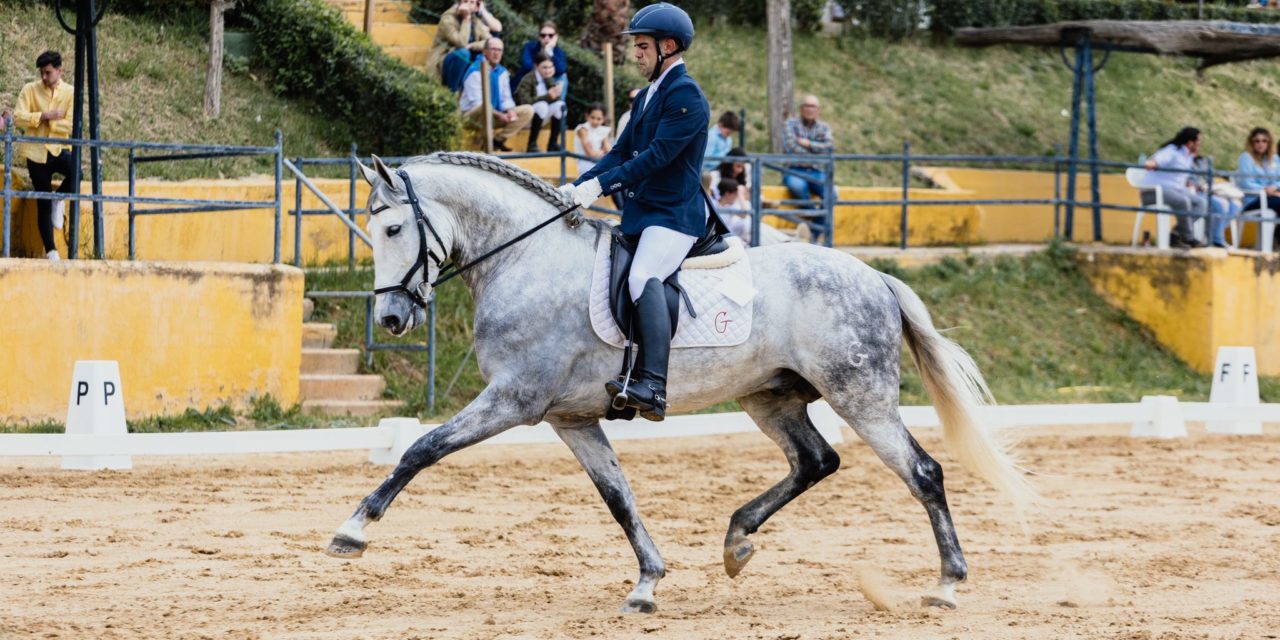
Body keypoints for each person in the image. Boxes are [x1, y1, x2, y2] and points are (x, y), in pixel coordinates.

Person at [558, 3, 708, 421]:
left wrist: (600, 186)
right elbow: (621, 152)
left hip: (674, 215)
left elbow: (658, 156)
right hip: (644, 213)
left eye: (643, 46)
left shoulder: (686, 94)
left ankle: (654, 386)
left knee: (644, 276)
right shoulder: (646, 96)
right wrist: (580, 185)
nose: (636, 54)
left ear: (668, 46)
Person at [13, 50, 74, 261]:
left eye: (48, 73)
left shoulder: (70, 93)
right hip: (36, 152)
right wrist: (44, 116)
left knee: (78, 174)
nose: (44, 77)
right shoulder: (30, 90)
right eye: (42, 73)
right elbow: (18, 118)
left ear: (59, 70)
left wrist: (53, 123)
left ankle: (60, 199)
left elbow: (72, 123)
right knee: (43, 200)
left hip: (59, 149)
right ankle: (51, 252)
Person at [459, 38, 533, 153]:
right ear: (484, 51)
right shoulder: (475, 71)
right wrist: (499, 115)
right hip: (473, 117)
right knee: (486, 106)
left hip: (493, 115)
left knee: (528, 110)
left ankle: (497, 141)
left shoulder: (502, 72)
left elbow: (506, 98)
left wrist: (510, 110)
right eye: (493, 49)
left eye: (500, 50)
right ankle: (487, 143)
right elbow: (478, 104)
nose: (496, 53)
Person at [781, 94, 835, 243]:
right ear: (801, 108)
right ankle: (812, 212)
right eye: (807, 106)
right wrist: (816, 151)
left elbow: (829, 147)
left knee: (832, 194)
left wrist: (807, 144)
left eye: (813, 106)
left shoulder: (824, 127)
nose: (810, 109)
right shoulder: (790, 124)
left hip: (817, 172)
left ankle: (813, 236)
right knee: (796, 186)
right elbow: (791, 147)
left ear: (818, 110)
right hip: (795, 170)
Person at [1144, 127, 1208, 249]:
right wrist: (1151, 164)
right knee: (1183, 201)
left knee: (1201, 203)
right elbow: (1155, 161)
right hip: (1153, 191)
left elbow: (1177, 177)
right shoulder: (1172, 151)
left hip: (1173, 191)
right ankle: (1188, 237)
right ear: (1190, 142)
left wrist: (1189, 184)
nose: (1200, 144)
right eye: (1198, 141)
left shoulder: (1187, 156)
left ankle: (1176, 234)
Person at [428, 0, 494, 92]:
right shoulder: (448, 18)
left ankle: (480, 96)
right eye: (465, 1)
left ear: (476, 7)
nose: (468, 5)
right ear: (459, 3)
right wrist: (466, 18)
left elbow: (491, 41)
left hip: (466, 61)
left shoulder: (475, 20)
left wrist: (472, 45)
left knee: (486, 56)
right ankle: (452, 92)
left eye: (472, 2)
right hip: (444, 61)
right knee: (463, 53)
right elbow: (461, 43)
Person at [1236, 127, 1280, 247]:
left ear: (1269, 143)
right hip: (1253, 199)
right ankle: (1276, 239)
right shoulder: (1246, 158)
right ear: (1252, 143)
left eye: (1264, 141)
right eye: (1257, 141)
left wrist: (1275, 188)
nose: (1261, 144)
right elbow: (1245, 182)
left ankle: (1275, 238)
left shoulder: (1274, 159)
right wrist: (1265, 190)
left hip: (1272, 197)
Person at [515, 52, 565, 153]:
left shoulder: (549, 79)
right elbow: (525, 101)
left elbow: (556, 100)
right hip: (526, 118)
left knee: (561, 106)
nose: (548, 70)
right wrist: (547, 96)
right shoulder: (528, 79)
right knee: (542, 105)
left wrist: (555, 88)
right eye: (544, 67)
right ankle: (532, 144)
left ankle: (553, 143)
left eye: (550, 67)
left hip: (541, 119)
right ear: (536, 66)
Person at [512, 21, 567, 95]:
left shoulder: (558, 52)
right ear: (539, 37)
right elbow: (527, 66)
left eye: (550, 35)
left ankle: (558, 104)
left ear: (556, 37)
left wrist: (549, 51)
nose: (547, 38)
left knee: (562, 78)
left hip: (546, 85)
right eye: (543, 35)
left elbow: (561, 70)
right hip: (528, 84)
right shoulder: (530, 47)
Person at [573, 103, 611, 176]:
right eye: (592, 117)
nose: (595, 121)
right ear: (587, 116)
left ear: (604, 118)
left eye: (599, 119)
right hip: (584, 160)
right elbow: (590, 153)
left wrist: (601, 152)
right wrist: (602, 151)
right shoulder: (583, 129)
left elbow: (609, 151)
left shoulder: (603, 130)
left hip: (598, 161)